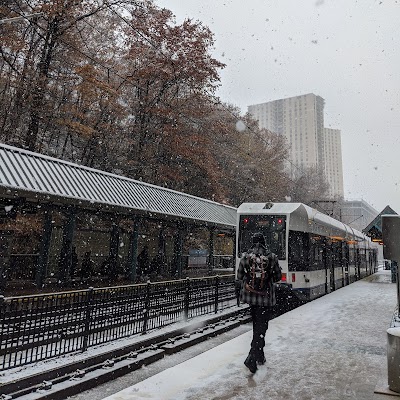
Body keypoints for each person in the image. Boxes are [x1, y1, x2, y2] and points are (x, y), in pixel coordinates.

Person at [237, 232, 282, 373]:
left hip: (251, 299)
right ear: (264, 242)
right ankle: (252, 356)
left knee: (257, 326)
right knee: (261, 328)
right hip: (265, 299)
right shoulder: (272, 257)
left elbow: (239, 276)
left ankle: (260, 355)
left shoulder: (245, 257)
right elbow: (278, 277)